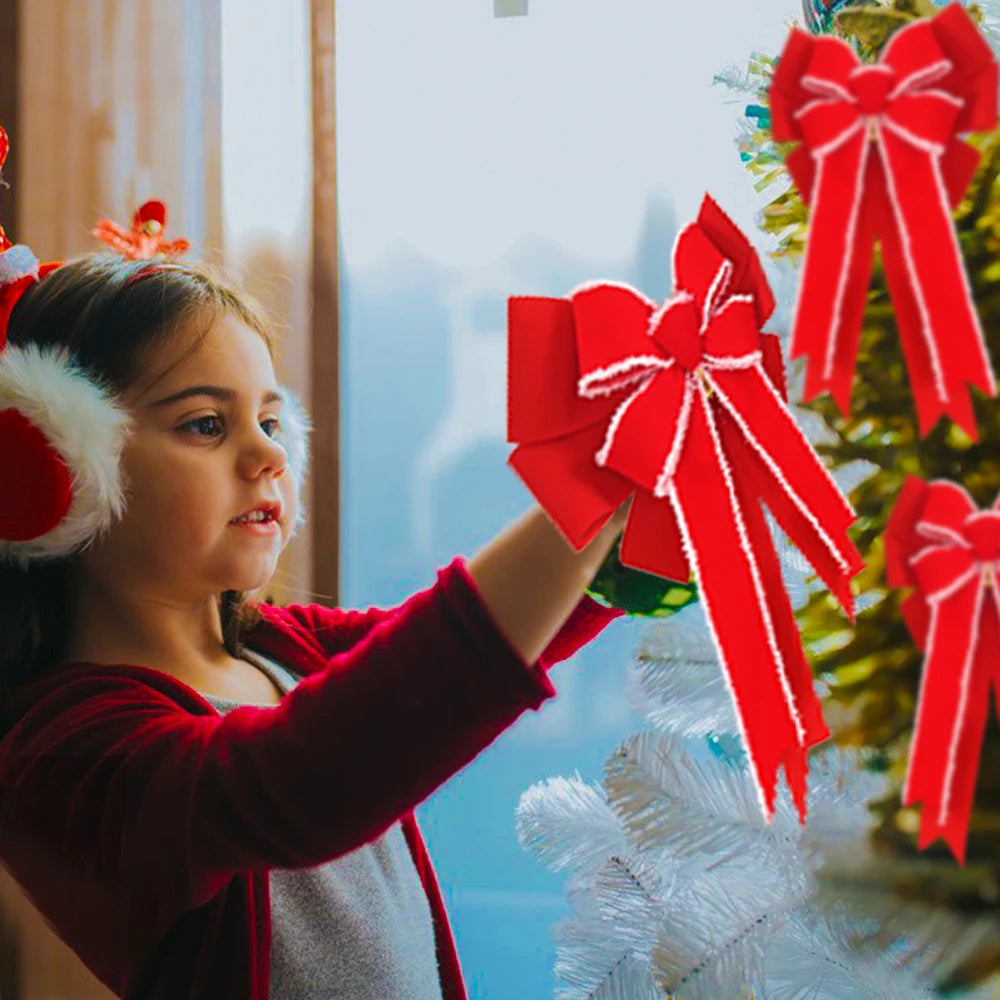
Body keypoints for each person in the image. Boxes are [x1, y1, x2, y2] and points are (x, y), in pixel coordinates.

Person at [0, 249, 632, 999]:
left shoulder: (279, 646)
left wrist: (636, 543)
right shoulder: (63, 753)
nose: (268, 452)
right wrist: (594, 494)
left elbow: (449, 651)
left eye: (271, 419)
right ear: (56, 467)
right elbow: (304, 775)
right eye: (205, 424)